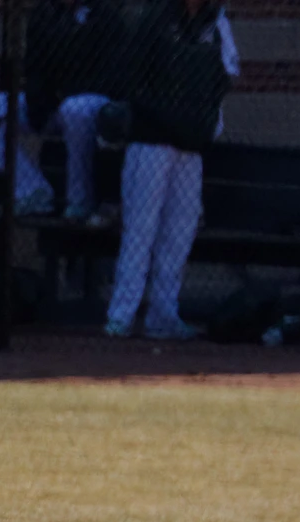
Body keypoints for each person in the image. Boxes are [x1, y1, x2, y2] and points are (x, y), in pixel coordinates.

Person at [105, 0, 239, 339]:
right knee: (140, 229)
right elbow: (130, 77)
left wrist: (200, 118)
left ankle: (163, 315)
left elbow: (227, 75)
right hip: (152, 141)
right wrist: (165, 114)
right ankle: (121, 315)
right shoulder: (155, 17)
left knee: (180, 230)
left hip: (190, 145)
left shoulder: (215, 23)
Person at [0, 0, 118, 220]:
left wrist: (64, 92)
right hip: (51, 105)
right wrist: (40, 102)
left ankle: (80, 200)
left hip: (88, 103)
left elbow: (107, 73)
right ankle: (32, 191)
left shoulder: (104, 15)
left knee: (75, 109)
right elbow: (35, 68)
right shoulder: (44, 14)